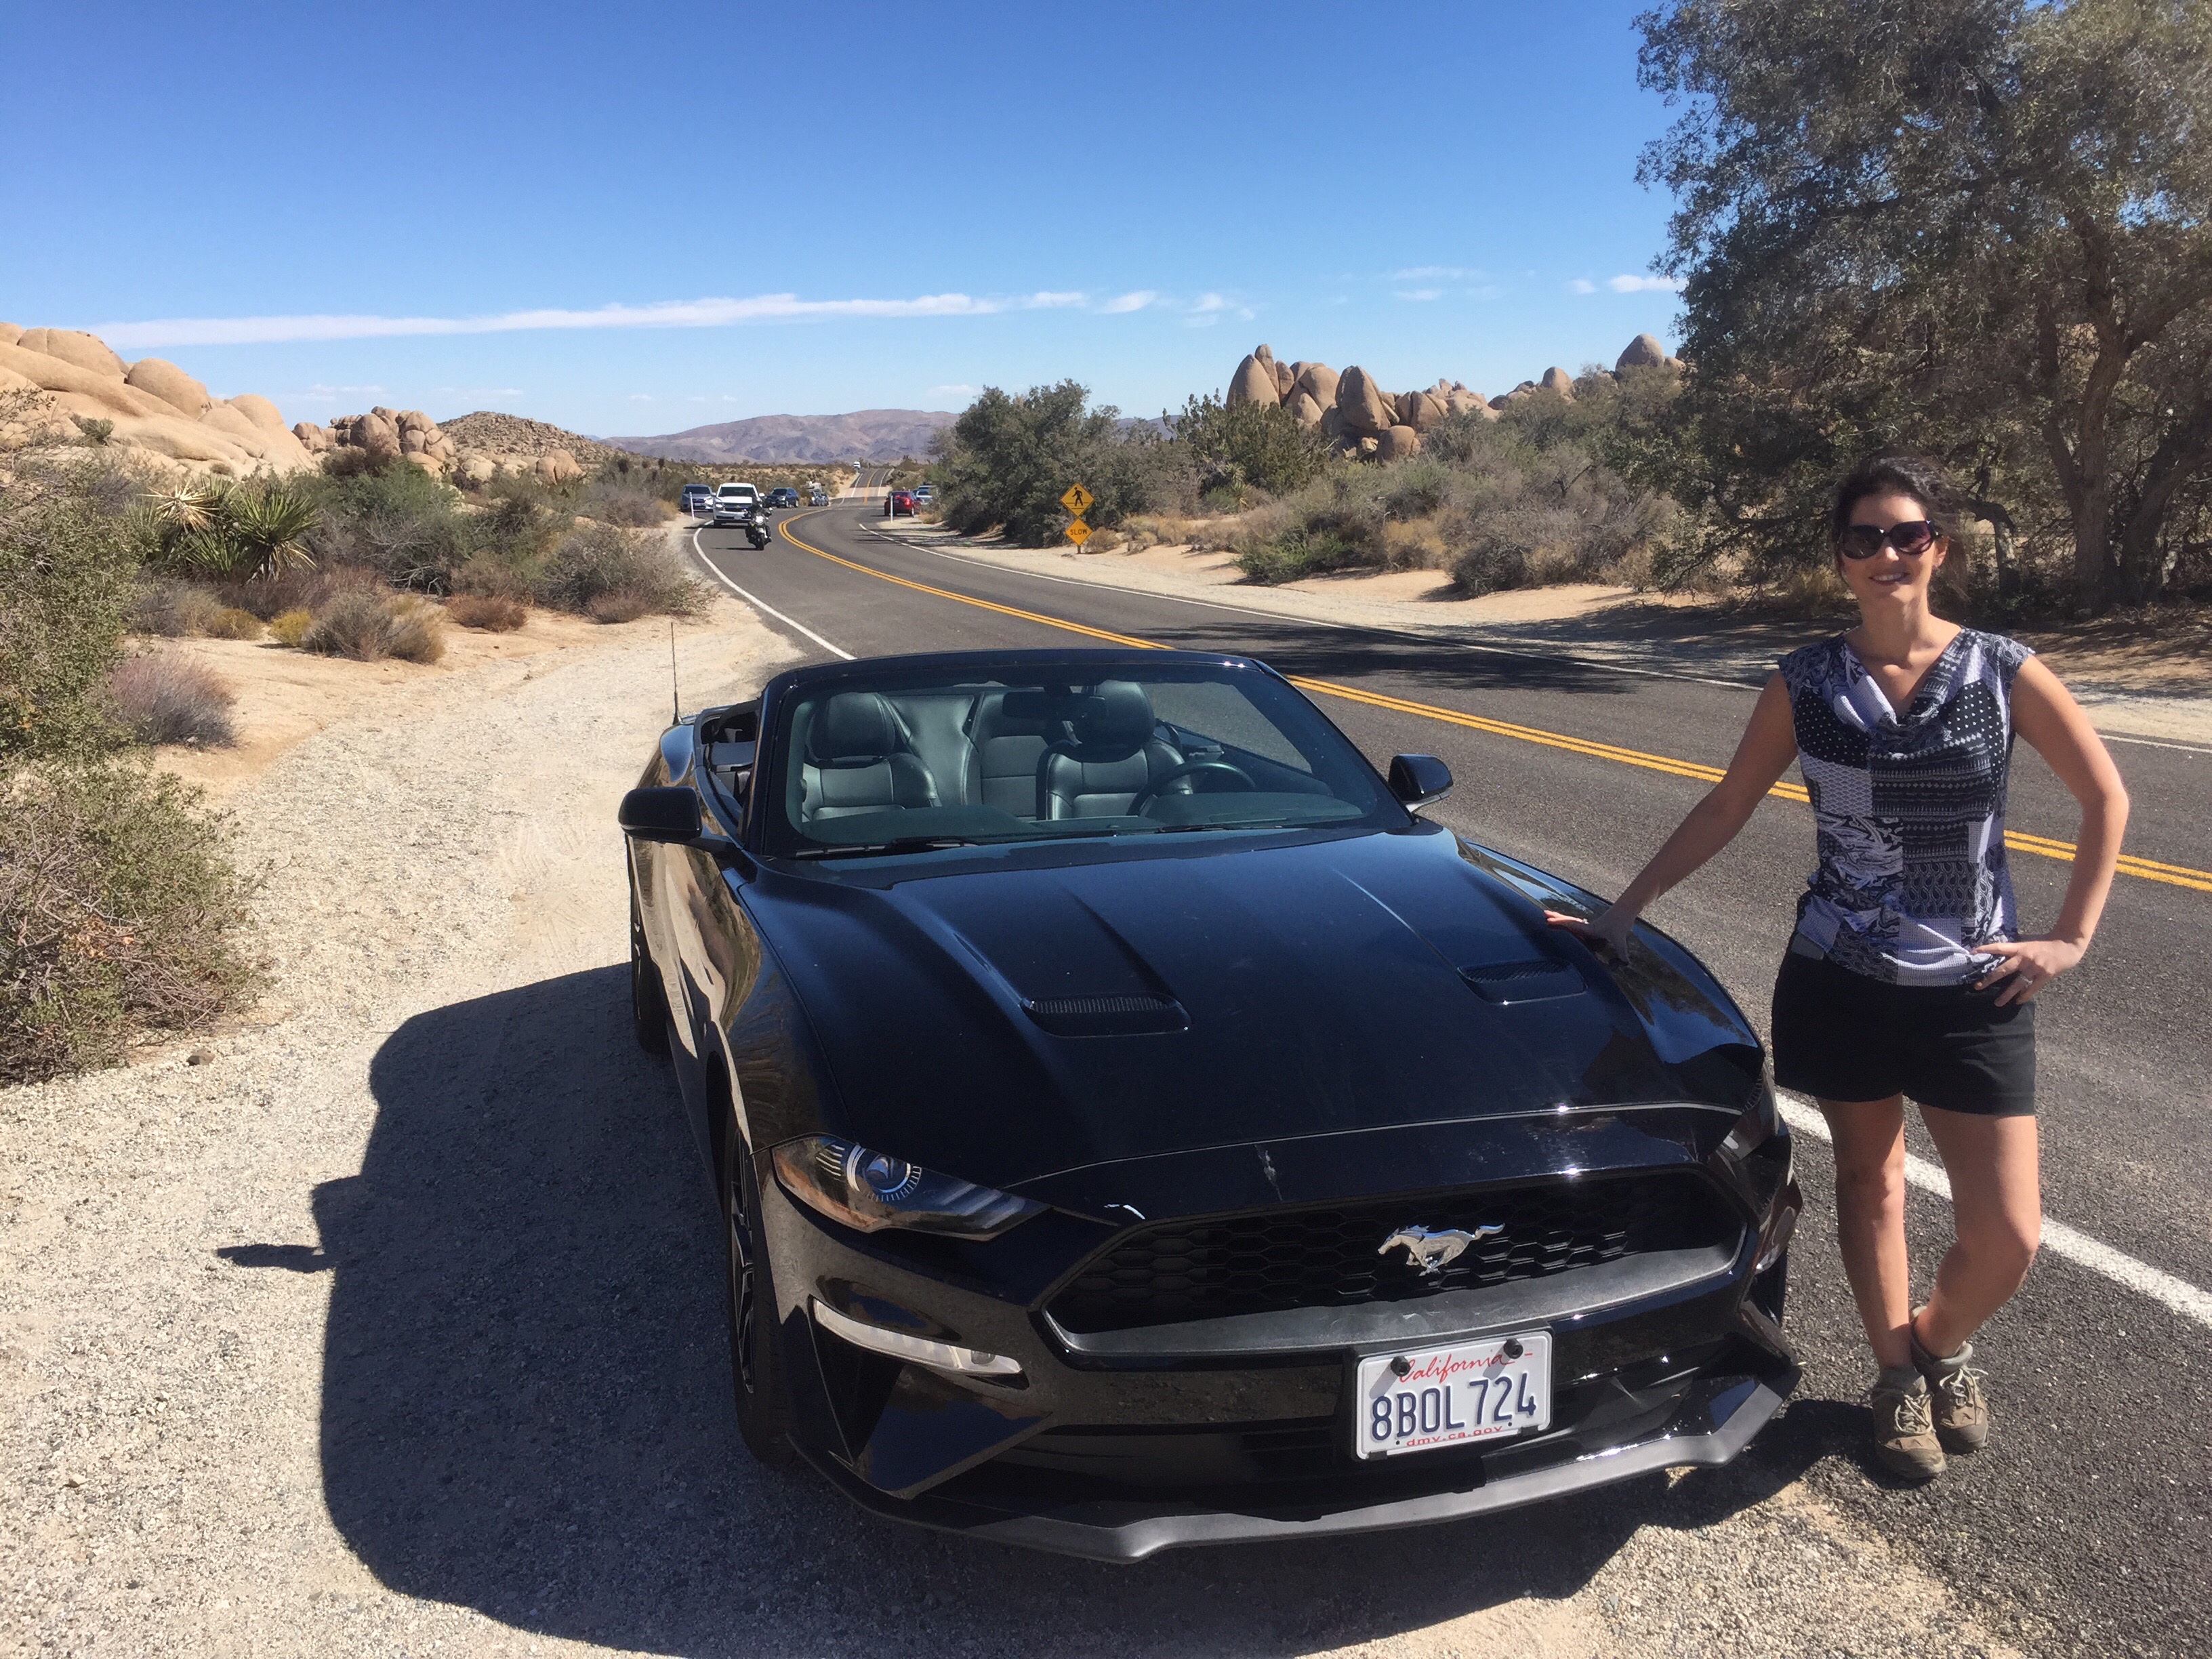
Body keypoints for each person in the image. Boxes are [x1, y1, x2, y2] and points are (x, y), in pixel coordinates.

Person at [1547, 455, 2128, 1480]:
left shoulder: (2000, 669)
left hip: (1977, 983)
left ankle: (1941, 1341)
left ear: (1938, 547)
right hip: (1841, 974)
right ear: (1841, 557)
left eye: (1908, 534)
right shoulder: (1805, 680)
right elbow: (1730, 802)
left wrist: (2071, 937)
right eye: (1864, 538)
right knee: (1870, 1180)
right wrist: (1623, 913)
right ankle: (1896, 1376)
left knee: (2010, 1233)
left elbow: (2104, 796)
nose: (1887, 553)